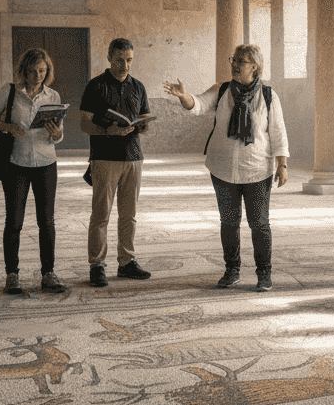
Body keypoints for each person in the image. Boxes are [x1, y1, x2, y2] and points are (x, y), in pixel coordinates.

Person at [164, 44, 288, 292]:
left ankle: (264, 273)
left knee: (259, 224)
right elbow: (197, 104)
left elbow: (278, 132)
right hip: (223, 170)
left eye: (241, 61)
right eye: (234, 59)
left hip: (257, 170)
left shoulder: (268, 95)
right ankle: (232, 270)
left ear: (255, 66)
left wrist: (282, 164)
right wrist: (183, 97)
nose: (234, 64)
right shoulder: (222, 90)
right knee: (229, 223)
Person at [0, 48, 66, 295]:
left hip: (46, 162)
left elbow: (58, 135)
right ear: (24, 71)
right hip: (16, 163)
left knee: (47, 221)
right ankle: (12, 275)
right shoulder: (10, 92)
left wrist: (57, 134)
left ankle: (48, 274)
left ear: (48, 71)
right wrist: (8, 126)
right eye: (32, 71)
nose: (37, 76)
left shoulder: (53, 95)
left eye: (42, 71)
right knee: (14, 221)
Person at [80, 38, 153, 288]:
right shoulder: (96, 86)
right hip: (104, 157)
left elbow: (144, 119)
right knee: (101, 214)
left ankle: (126, 262)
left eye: (129, 60)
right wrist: (107, 131)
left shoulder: (138, 86)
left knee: (129, 215)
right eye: (120, 60)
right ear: (109, 58)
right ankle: (97, 265)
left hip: (133, 156)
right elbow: (84, 123)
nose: (125, 65)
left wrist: (143, 126)